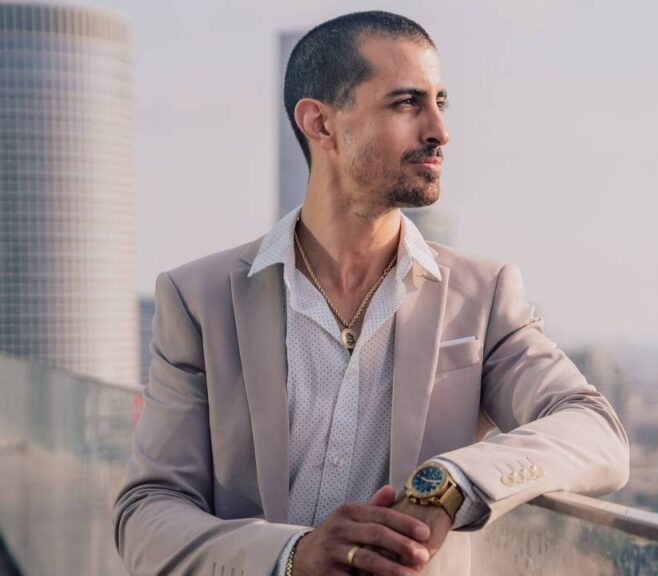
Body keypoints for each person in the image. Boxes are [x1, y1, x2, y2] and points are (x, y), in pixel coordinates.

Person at [113, 10, 628, 576]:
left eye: (440, 102)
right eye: (407, 103)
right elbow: (147, 515)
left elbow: (594, 430)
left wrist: (450, 485)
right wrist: (291, 556)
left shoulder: (482, 296)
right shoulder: (197, 299)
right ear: (321, 123)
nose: (439, 130)